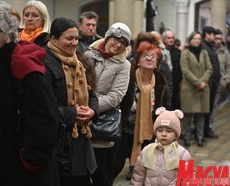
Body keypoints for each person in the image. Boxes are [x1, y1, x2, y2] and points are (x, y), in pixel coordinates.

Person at [0, 1, 60, 186]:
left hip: (20, 170)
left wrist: (31, 160)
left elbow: (46, 119)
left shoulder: (23, 65)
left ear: (9, 33)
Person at [44, 17, 98, 186]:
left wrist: (92, 111)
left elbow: (93, 93)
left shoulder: (79, 60)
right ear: (53, 39)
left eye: (76, 38)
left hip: (81, 143)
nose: (75, 43)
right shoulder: (44, 62)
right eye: (69, 38)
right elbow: (43, 106)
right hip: (59, 145)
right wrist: (73, 114)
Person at [114, 40, 171, 181]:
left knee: (149, 155)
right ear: (138, 61)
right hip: (126, 126)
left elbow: (166, 103)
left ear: (157, 62)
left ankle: (137, 170)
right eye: (145, 55)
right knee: (117, 161)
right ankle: (131, 167)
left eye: (153, 56)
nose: (149, 58)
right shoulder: (129, 77)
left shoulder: (161, 80)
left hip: (150, 126)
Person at [84, 22, 131, 186]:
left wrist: (91, 107)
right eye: (116, 39)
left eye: (123, 43)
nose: (118, 45)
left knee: (99, 172)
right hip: (78, 118)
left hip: (100, 122)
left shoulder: (124, 65)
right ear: (108, 37)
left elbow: (116, 96)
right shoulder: (88, 54)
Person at [131, 107, 192, 186]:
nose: (163, 134)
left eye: (169, 131)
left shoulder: (183, 154)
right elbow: (138, 176)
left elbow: (188, 179)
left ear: (176, 134)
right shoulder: (147, 150)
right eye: (160, 130)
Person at [180, 31, 213, 147]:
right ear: (190, 40)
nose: (197, 41)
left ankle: (200, 137)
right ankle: (187, 137)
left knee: (201, 115)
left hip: (203, 88)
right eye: (195, 38)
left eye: (199, 39)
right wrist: (197, 82)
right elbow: (185, 70)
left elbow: (209, 68)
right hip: (190, 88)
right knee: (188, 116)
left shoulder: (204, 52)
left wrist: (203, 81)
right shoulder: (185, 53)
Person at [201, 26, 221, 139]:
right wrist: (210, 81)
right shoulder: (204, 47)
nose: (214, 37)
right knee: (206, 109)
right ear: (207, 35)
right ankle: (204, 131)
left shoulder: (209, 46)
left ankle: (206, 130)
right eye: (213, 35)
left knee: (209, 108)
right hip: (208, 83)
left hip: (213, 83)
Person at [163, 29, 183, 109]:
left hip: (175, 84)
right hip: (163, 84)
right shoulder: (161, 51)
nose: (171, 40)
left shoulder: (178, 52)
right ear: (164, 39)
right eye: (168, 38)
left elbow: (180, 68)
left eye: (172, 38)